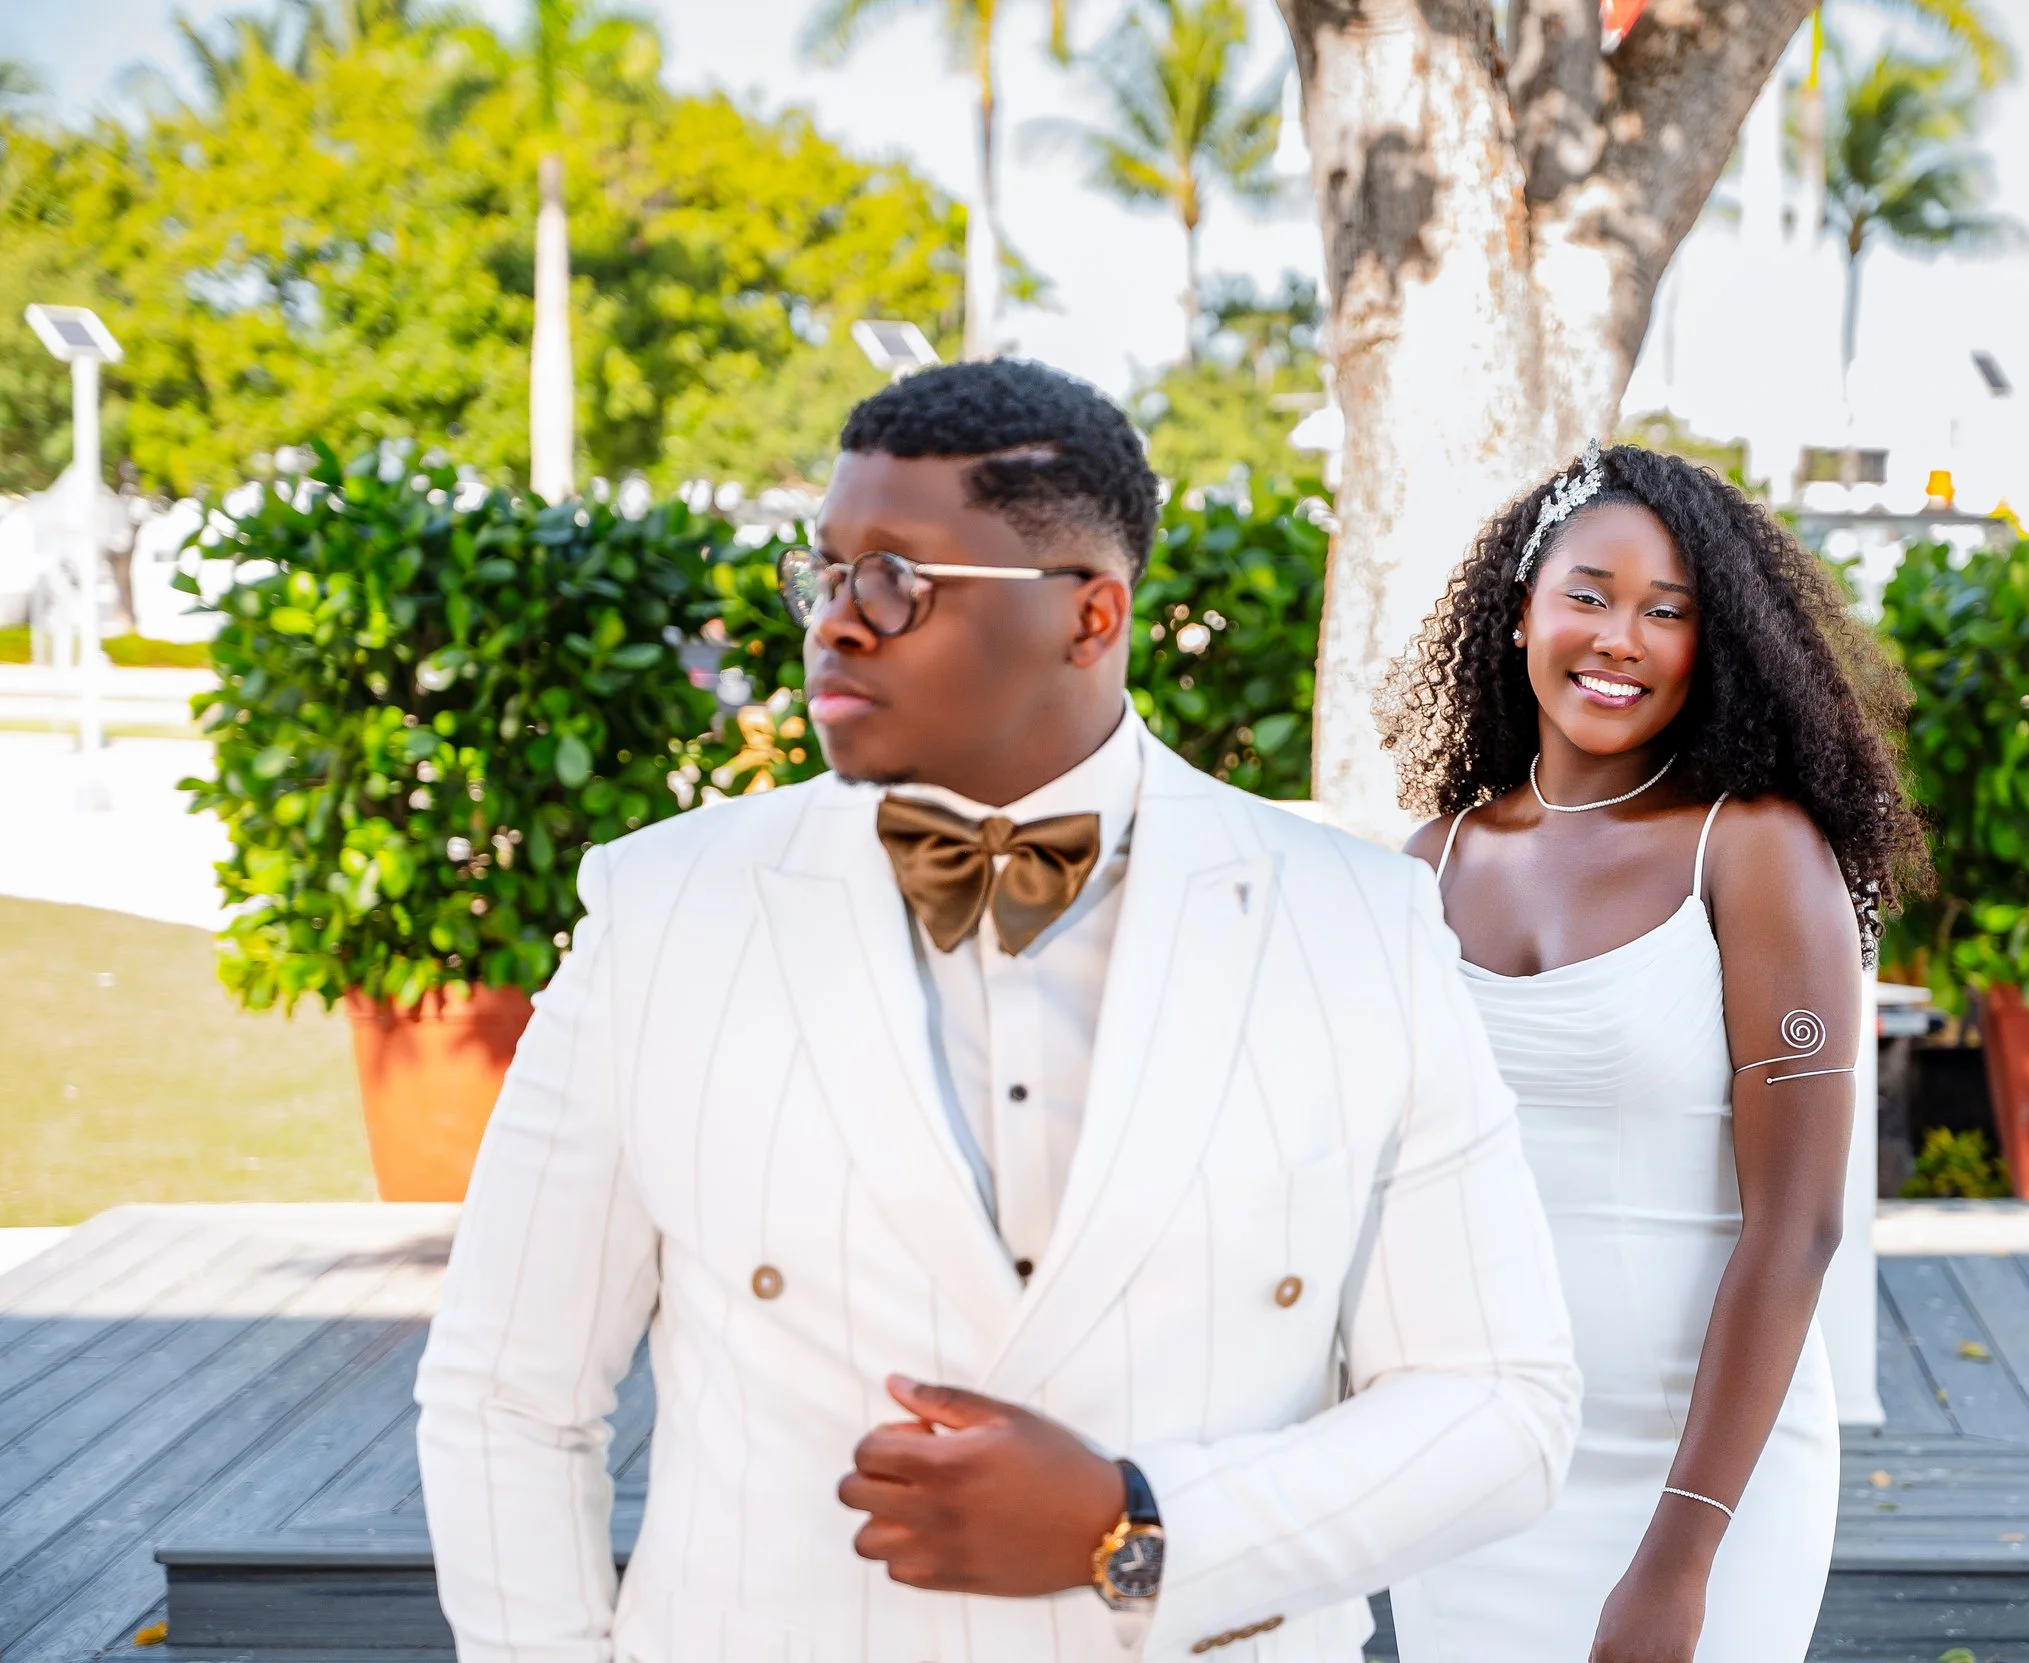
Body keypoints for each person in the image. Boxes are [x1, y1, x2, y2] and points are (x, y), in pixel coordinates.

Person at [414, 360, 1580, 1663]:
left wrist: (1137, 1524)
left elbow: (1500, 1404)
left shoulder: (1356, 925)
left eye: (897, 581)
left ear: (1091, 616)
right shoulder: (665, 913)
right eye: (826, 574)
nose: (836, 625)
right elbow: (506, 1393)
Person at [1379, 442, 1926, 1663]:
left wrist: (1680, 1556)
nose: (1619, 637)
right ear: (1521, 612)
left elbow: (1799, 1225)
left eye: (1667, 612)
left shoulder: (1755, 852)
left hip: (1704, 1476)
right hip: (1478, 1455)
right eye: (1588, 594)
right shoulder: (1427, 864)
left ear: (1713, 646)